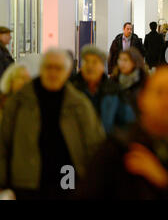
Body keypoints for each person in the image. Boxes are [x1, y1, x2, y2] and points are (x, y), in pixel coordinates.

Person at [78, 66, 168, 199]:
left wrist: (166, 180)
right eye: (159, 92)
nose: (167, 101)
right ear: (142, 98)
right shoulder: (118, 149)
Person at [0, 48, 105, 200]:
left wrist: (94, 182)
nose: (53, 73)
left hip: (67, 177)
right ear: (41, 69)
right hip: (27, 180)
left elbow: (94, 144)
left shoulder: (79, 104)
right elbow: (4, 143)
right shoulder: (20, 101)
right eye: (49, 67)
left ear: (68, 71)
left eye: (59, 68)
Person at [71, 45, 136, 134]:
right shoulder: (72, 89)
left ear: (102, 67)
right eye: (86, 61)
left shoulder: (113, 90)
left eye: (94, 62)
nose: (90, 66)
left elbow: (128, 122)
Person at [111, 48, 147, 116]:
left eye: (125, 60)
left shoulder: (144, 82)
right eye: (120, 59)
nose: (121, 63)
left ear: (134, 62)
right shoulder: (113, 81)